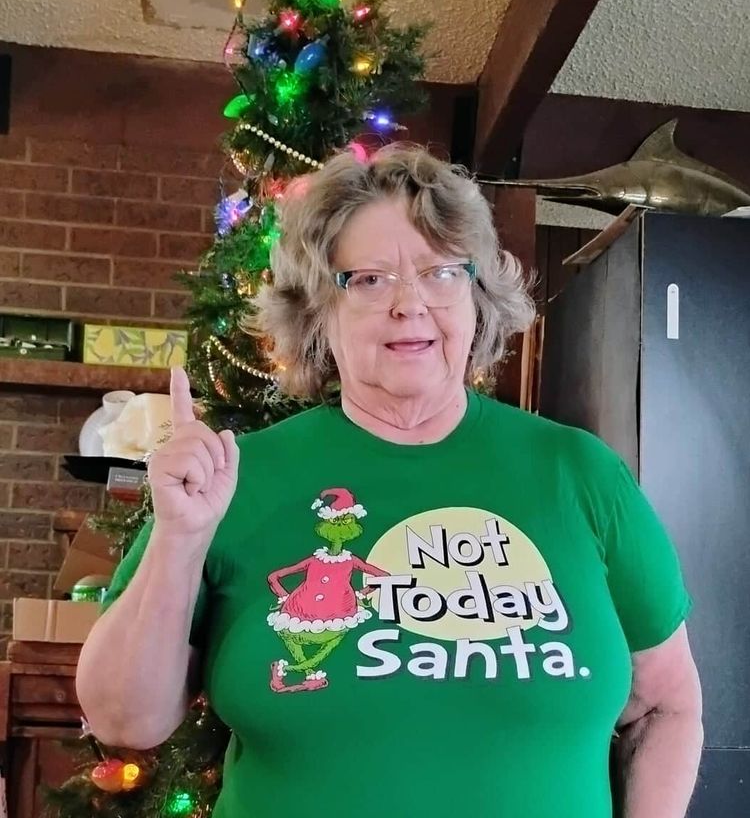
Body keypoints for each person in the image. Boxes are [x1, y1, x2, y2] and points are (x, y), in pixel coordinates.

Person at [77, 145, 703, 818]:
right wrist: (180, 539)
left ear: (477, 295)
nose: (410, 304)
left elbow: (667, 705)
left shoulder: (578, 474)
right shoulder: (236, 479)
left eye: (440, 273)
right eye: (369, 280)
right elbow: (123, 721)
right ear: (319, 310)